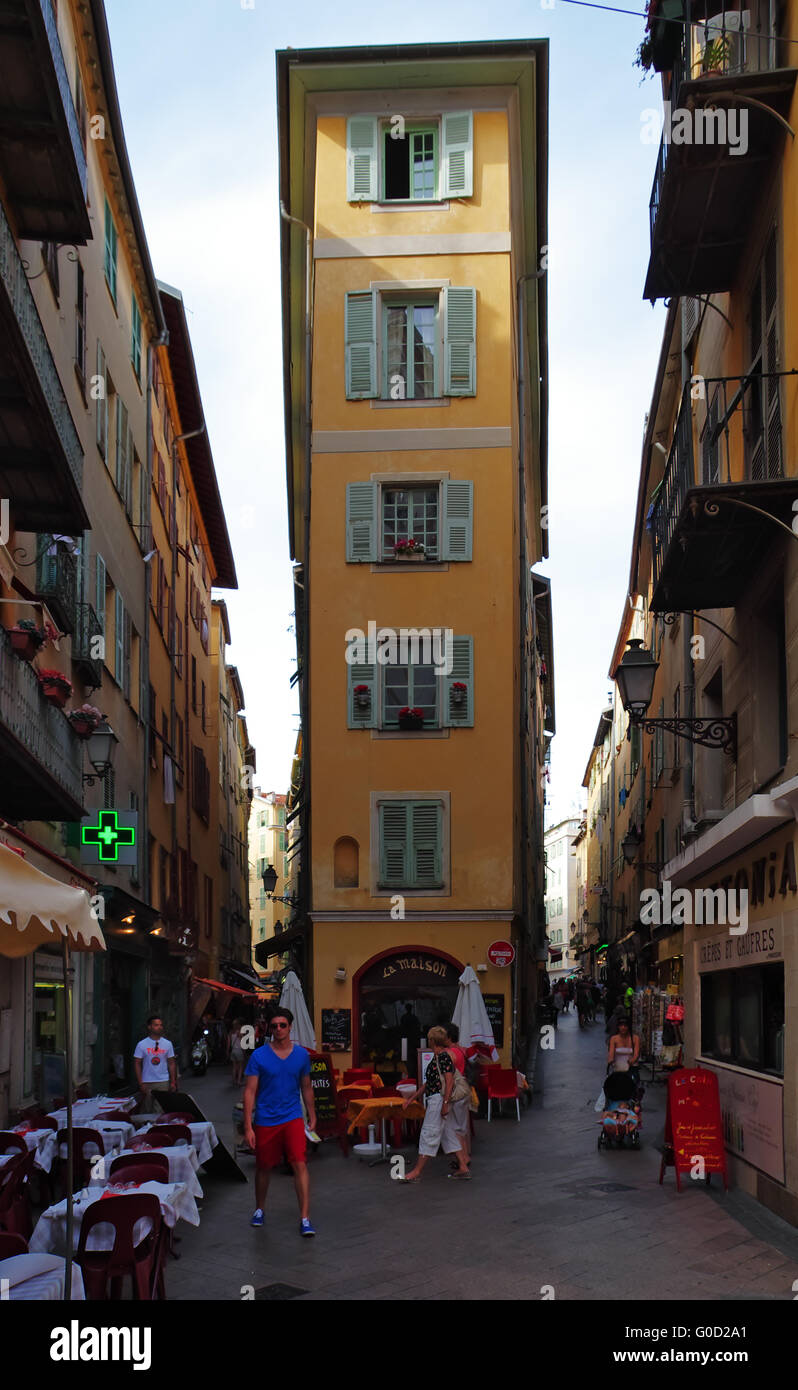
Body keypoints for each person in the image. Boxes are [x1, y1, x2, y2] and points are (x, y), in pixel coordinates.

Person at [243, 1006, 317, 1236]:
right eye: (274, 1026)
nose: (278, 1029)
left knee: (299, 1164)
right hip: (266, 1119)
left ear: (290, 1027)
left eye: (282, 1025)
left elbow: (306, 1086)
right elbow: (249, 1091)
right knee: (264, 1167)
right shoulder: (259, 1056)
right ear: (269, 1028)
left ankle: (305, 1217)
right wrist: (248, 1125)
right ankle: (259, 1208)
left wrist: (312, 1115)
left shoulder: (302, 1055)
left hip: (293, 1117)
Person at [398, 1026, 470, 1181]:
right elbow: (428, 1083)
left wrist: (445, 1103)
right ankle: (463, 1166)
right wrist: (413, 1098)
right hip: (437, 1098)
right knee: (448, 1133)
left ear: (432, 1040)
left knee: (428, 1132)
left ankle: (417, 1171)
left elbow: (449, 1081)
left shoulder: (443, 1057)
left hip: (438, 1100)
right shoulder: (437, 1057)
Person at [443, 1023, 471, 1167]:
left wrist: (446, 1101)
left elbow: (448, 1077)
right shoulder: (461, 1050)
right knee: (461, 1126)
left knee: (455, 1128)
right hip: (464, 1090)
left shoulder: (449, 1053)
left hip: (456, 1091)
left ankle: (463, 1160)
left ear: (448, 1037)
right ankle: (465, 1156)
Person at [134, 1015, 177, 1105]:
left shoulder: (167, 1044)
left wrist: (173, 1082)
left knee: (161, 1108)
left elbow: (171, 1063)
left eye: (161, 1025)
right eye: (156, 1025)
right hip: (147, 1081)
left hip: (163, 1081)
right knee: (147, 1108)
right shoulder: (142, 1044)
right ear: (150, 1027)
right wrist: (141, 1083)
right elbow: (137, 1064)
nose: (159, 1027)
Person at [608, 1016, 640, 1080]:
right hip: (618, 1069)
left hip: (631, 1069)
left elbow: (636, 1054)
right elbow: (611, 1053)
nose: (623, 1028)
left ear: (629, 1027)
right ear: (618, 1027)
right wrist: (611, 1060)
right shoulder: (614, 1039)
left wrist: (632, 1060)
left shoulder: (635, 1038)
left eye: (625, 1026)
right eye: (621, 1025)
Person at [399, 1003, 422, 1076]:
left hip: (412, 1040)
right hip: (408, 1040)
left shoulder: (411, 1017)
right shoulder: (409, 1017)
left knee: (413, 1057)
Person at [228, 1018, 246, 1087]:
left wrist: (227, 1051)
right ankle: (239, 1081)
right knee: (241, 1066)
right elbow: (242, 1043)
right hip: (239, 1051)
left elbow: (228, 1043)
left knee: (234, 1066)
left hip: (233, 1051)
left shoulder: (231, 1032)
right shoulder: (240, 1032)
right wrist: (244, 1051)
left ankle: (234, 1080)